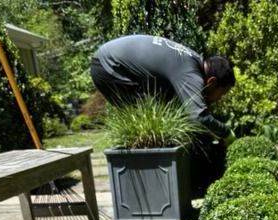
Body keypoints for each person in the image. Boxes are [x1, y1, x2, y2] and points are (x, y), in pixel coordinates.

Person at [90, 34, 236, 145]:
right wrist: (227, 133)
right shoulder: (191, 74)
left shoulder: (192, 61)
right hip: (108, 66)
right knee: (144, 127)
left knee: (158, 114)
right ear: (211, 82)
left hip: (109, 59)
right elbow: (199, 117)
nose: (220, 98)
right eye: (222, 93)